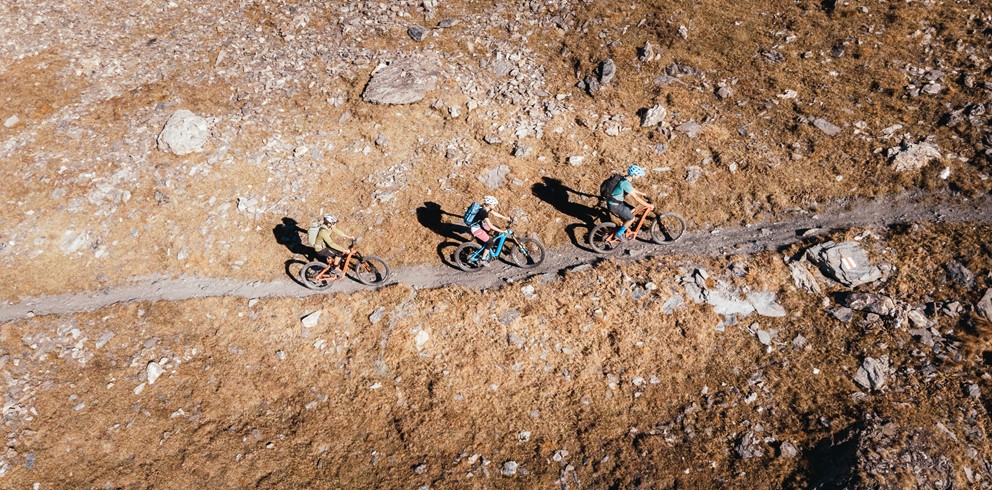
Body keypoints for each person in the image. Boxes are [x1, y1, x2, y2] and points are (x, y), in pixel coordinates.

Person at [606, 164, 653, 241]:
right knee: (632, 218)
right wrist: (648, 205)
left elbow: (630, 189)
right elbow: (636, 198)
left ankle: (625, 223)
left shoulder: (625, 179)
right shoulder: (625, 183)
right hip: (615, 205)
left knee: (633, 209)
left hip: (614, 202)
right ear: (634, 175)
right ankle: (619, 233)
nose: (639, 177)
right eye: (638, 175)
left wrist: (642, 193)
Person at [469, 195, 510, 265]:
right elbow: (490, 225)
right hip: (476, 229)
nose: (495, 205)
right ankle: (483, 259)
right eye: (494, 204)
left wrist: (506, 218)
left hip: (480, 225)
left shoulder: (487, 208)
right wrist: (502, 231)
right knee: (490, 242)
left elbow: (495, 214)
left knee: (496, 228)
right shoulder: (483, 212)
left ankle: (489, 247)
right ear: (489, 204)